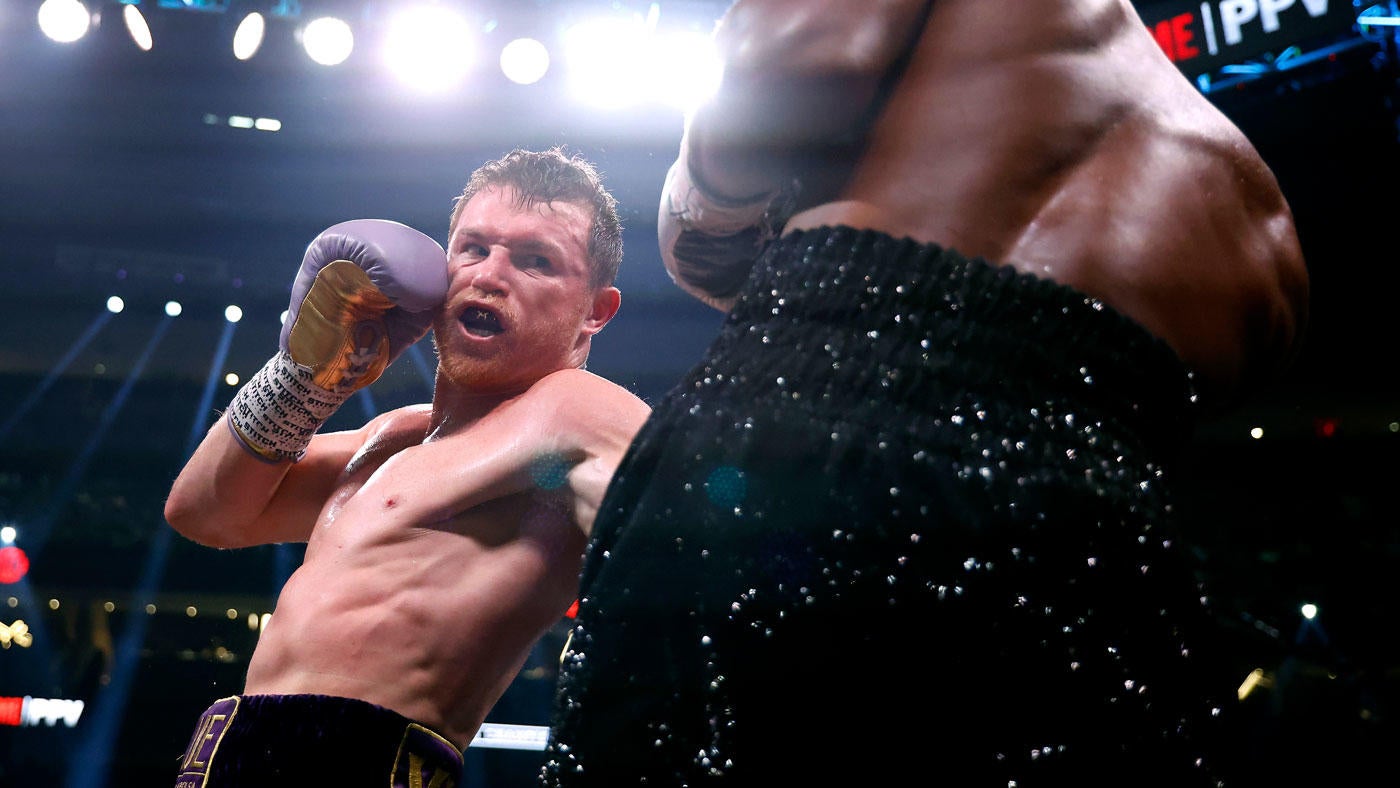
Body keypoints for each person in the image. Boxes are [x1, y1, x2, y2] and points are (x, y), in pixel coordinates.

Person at [542, 1, 1309, 786]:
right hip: (1087, 536)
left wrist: (701, 196)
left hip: (808, 422)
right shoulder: (1266, 222)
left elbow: (806, 50)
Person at [163, 147, 651, 787]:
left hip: (365, 759)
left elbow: (686, 552)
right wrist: (305, 379)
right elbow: (205, 512)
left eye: (537, 261)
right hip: (225, 753)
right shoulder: (392, 435)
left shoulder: (576, 411)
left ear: (595, 310)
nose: (490, 275)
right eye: (473, 248)